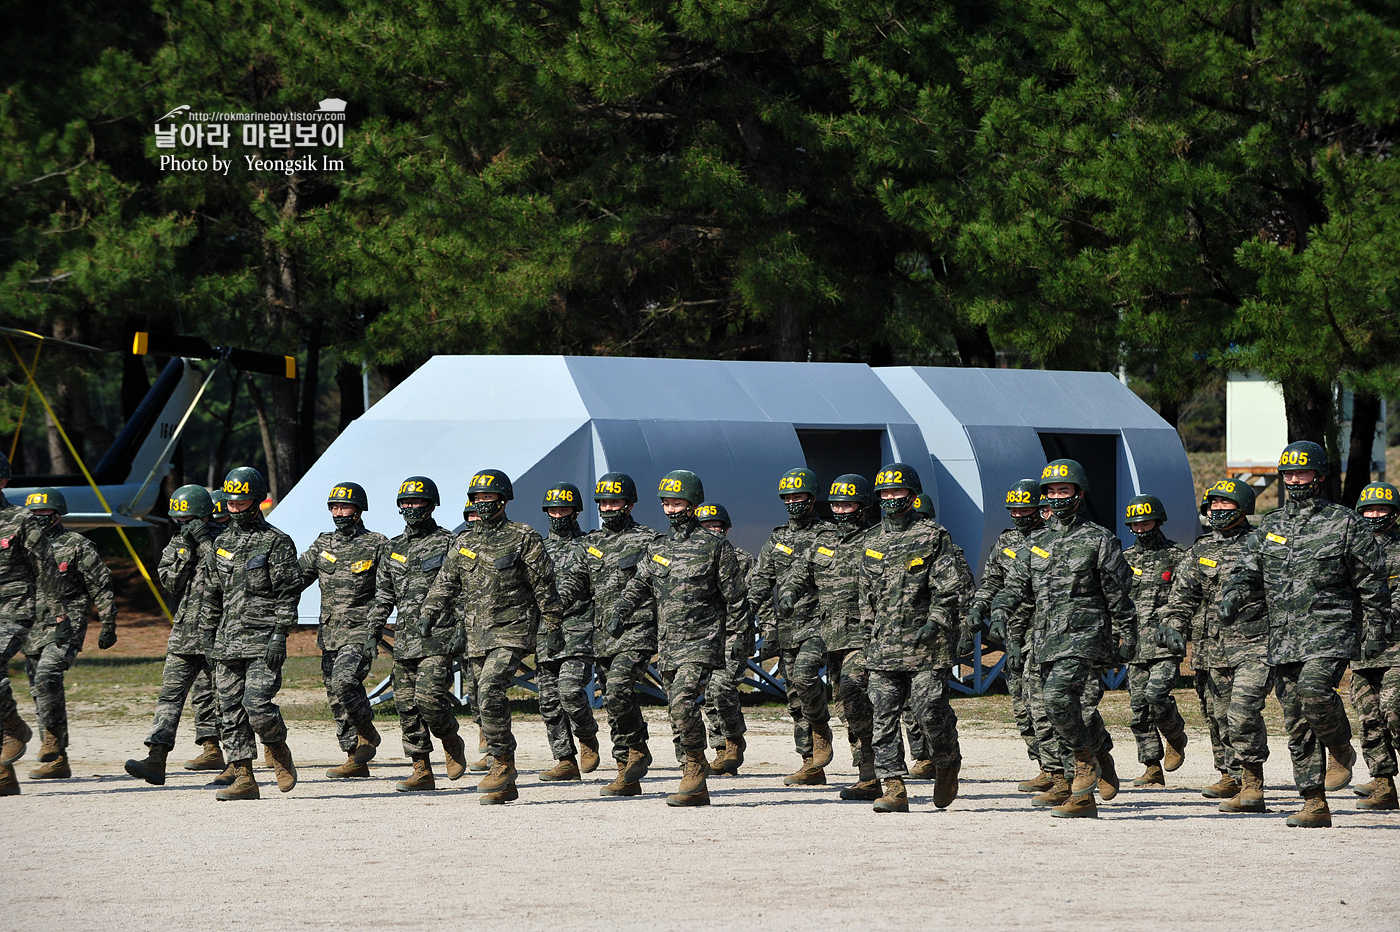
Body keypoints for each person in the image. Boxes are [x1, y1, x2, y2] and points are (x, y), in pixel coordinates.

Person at [1220, 441, 1389, 827]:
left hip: (1331, 631)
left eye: (1303, 472)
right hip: (1283, 637)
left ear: (1320, 476)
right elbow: (1248, 571)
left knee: (1315, 691)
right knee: (1296, 719)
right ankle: (1314, 802)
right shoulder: (1271, 526)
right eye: (1289, 474)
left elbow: (1372, 582)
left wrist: (1377, 627)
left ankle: (1341, 746)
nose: (1295, 480)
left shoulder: (1345, 523)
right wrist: (1233, 594)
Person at [992, 458, 1135, 819]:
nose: (1057, 497)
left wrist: (1127, 635)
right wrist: (997, 610)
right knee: (1055, 712)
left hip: (1085, 637)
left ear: (1079, 492)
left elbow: (1119, 595)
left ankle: (1084, 765)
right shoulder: (1036, 541)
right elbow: (1015, 587)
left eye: (1064, 490)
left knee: (1059, 700)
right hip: (1043, 639)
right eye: (1051, 491)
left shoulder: (1099, 539)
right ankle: (1089, 777)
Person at [419, 469, 563, 805]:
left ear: (503, 499)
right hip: (477, 635)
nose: (483, 503)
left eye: (488, 497)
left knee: (491, 688)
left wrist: (554, 627)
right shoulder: (464, 542)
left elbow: (544, 586)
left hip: (513, 630)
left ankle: (501, 763)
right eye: (477, 498)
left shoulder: (523, 537)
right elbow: (445, 581)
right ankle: (505, 783)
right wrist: (429, 612)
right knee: (479, 701)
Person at [611, 470, 747, 807]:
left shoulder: (715, 546)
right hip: (669, 643)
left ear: (693, 503)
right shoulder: (659, 547)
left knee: (683, 702)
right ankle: (695, 783)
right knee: (677, 711)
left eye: (678, 502)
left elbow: (737, 599)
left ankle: (695, 767)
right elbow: (640, 584)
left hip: (703, 641)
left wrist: (739, 641)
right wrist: (619, 611)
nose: (671, 509)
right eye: (667, 503)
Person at [858, 463, 964, 813]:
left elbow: (949, 589)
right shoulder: (870, 541)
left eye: (897, 493)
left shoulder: (933, 536)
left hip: (927, 647)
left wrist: (936, 622)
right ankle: (893, 786)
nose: (890, 499)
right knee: (883, 717)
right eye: (885, 494)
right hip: (883, 648)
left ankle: (947, 762)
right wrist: (866, 640)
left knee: (929, 710)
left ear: (912, 496)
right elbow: (865, 598)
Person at [1159, 479, 1269, 809]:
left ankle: (1253, 781)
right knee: (1217, 714)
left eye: (1227, 504)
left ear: (1244, 508)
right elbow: (1180, 599)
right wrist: (1175, 626)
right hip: (1211, 649)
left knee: (1243, 712)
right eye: (1214, 504)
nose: (1218, 510)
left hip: (1255, 645)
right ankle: (1229, 774)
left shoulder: (1261, 545)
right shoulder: (1200, 550)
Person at [555, 473, 662, 797]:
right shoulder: (592, 544)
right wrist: (554, 605)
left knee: (616, 690)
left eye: (614, 502)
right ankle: (625, 773)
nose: (608, 508)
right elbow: (576, 583)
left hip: (638, 630)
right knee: (615, 705)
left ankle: (639, 748)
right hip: (603, 635)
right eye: (603, 502)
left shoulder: (649, 540)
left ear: (628, 504)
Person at [205, 467, 301, 800]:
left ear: (256, 500)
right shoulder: (220, 543)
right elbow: (212, 592)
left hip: (263, 640)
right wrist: (207, 635)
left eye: (242, 501)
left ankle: (277, 747)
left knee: (257, 705)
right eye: (231, 502)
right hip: (226, 642)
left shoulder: (276, 541)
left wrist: (280, 634)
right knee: (230, 710)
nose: (235, 507)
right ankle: (244, 776)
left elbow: (289, 591)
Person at [780, 475, 878, 798]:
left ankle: (872, 772)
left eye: (847, 504)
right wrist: (788, 594)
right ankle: (855, 762)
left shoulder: (875, 541)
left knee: (853, 694)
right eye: (836, 504)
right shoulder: (823, 543)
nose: (840, 510)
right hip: (831, 637)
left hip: (864, 637)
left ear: (862, 505)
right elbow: (799, 575)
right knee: (840, 703)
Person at [367, 476, 467, 792]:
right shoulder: (392, 548)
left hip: (439, 636)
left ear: (431, 504)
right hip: (405, 640)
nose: (411, 507)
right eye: (406, 502)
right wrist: (373, 629)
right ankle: (421, 768)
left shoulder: (449, 542)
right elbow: (383, 594)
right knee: (406, 705)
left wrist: (462, 630)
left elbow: (464, 590)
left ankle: (450, 737)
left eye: (418, 501)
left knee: (429, 699)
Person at [126, 485, 226, 786]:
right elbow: (170, 580)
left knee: (228, 699)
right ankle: (156, 757)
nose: (183, 524)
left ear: (204, 514)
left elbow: (225, 574)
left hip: (221, 633)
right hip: (186, 634)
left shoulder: (226, 540)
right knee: (170, 697)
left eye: (188, 518)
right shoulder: (178, 542)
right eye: (178, 520)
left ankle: (238, 762)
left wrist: (205, 541)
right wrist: (186, 547)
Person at [18, 488, 116, 780]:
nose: (37, 519)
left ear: (58, 514)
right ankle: (57, 757)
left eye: (44, 514)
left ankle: (51, 742)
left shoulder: (77, 545)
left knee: (48, 673)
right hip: (32, 627)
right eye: (32, 514)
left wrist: (108, 622)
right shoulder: (22, 548)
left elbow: (101, 584)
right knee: (40, 689)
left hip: (67, 624)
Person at [749, 468, 835, 785]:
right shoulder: (778, 538)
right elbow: (761, 580)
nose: (792, 502)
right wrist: (747, 611)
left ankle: (822, 730)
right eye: (787, 497)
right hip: (788, 628)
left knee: (805, 676)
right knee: (795, 698)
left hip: (820, 624)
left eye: (798, 496)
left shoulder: (828, 535)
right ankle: (811, 764)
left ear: (812, 498)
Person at [298, 482, 390, 779]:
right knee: (336, 698)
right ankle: (355, 758)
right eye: (334, 507)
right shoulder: (323, 544)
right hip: (330, 634)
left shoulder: (377, 544)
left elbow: (388, 589)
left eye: (345, 507)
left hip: (360, 631)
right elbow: (296, 577)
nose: (339, 513)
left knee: (344, 681)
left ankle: (367, 733)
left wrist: (375, 627)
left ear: (359, 509)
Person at [962, 479, 1047, 791]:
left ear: (1042, 508)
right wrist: (978, 608)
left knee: (1045, 701)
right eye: (1013, 509)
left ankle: (1070, 766)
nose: (1018, 514)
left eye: (1025, 508)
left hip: (1046, 631)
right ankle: (1045, 765)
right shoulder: (1007, 542)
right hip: (1013, 632)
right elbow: (992, 581)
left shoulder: (1053, 540)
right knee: (1022, 703)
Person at [1119, 494, 1189, 788]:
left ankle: (1175, 735)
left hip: (1164, 644)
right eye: (1135, 524)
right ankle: (1151, 767)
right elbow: (1117, 601)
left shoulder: (1178, 556)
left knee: (1157, 695)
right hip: (1135, 646)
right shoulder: (1124, 559)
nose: (1141, 528)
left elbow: (1186, 598)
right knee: (1139, 709)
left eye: (1146, 522)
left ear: (1158, 521)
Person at [536, 482, 602, 782]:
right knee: (549, 700)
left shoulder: (588, 546)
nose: (558, 515)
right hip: (544, 633)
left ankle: (587, 737)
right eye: (553, 509)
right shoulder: (537, 548)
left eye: (564, 509)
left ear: (575, 512)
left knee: (570, 691)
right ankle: (564, 760)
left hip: (578, 630)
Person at [1350, 481, 1400, 811]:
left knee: (1394, 712)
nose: (1374, 514)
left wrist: (1383, 620)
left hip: (1395, 645)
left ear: (1394, 513)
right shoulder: (1351, 550)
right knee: (1369, 718)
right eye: (1368, 508)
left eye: (1381, 508)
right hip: (1360, 650)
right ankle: (1383, 785)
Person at [695, 503, 754, 775]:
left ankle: (733, 740)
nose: (713, 531)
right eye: (707, 527)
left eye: (717, 526)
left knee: (721, 687)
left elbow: (752, 600)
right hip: (704, 637)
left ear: (727, 529)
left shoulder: (743, 560)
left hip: (734, 635)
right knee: (708, 693)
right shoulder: (691, 559)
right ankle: (721, 752)